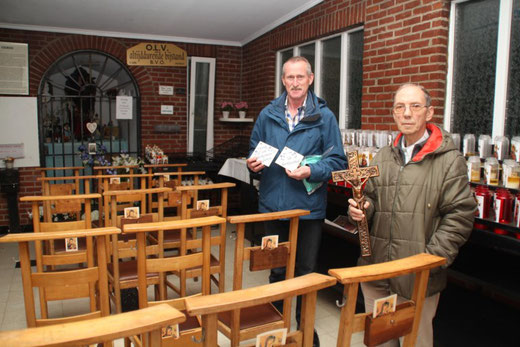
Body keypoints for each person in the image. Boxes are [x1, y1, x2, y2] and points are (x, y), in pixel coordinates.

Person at [348, 83, 476, 347]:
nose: (406, 113)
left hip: (417, 277)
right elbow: (370, 198)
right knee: (379, 340)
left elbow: (460, 214)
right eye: (400, 107)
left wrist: (430, 260)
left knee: (414, 341)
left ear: (429, 113)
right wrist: (362, 210)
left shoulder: (449, 160)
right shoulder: (383, 156)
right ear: (394, 114)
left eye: (415, 106)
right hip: (377, 270)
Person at [247, 56, 347, 347]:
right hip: (272, 207)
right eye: (289, 77)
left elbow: (336, 160)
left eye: (300, 77)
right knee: (277, 271)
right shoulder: (267, 114)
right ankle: (277, 332)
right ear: (283, 80)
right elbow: (254, 149)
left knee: (305, 273)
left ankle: (305, 332)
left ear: (310, 79)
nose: (294, 83)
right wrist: (253, 164)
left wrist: (311, 170)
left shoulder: (325, 117)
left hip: (307, 210)